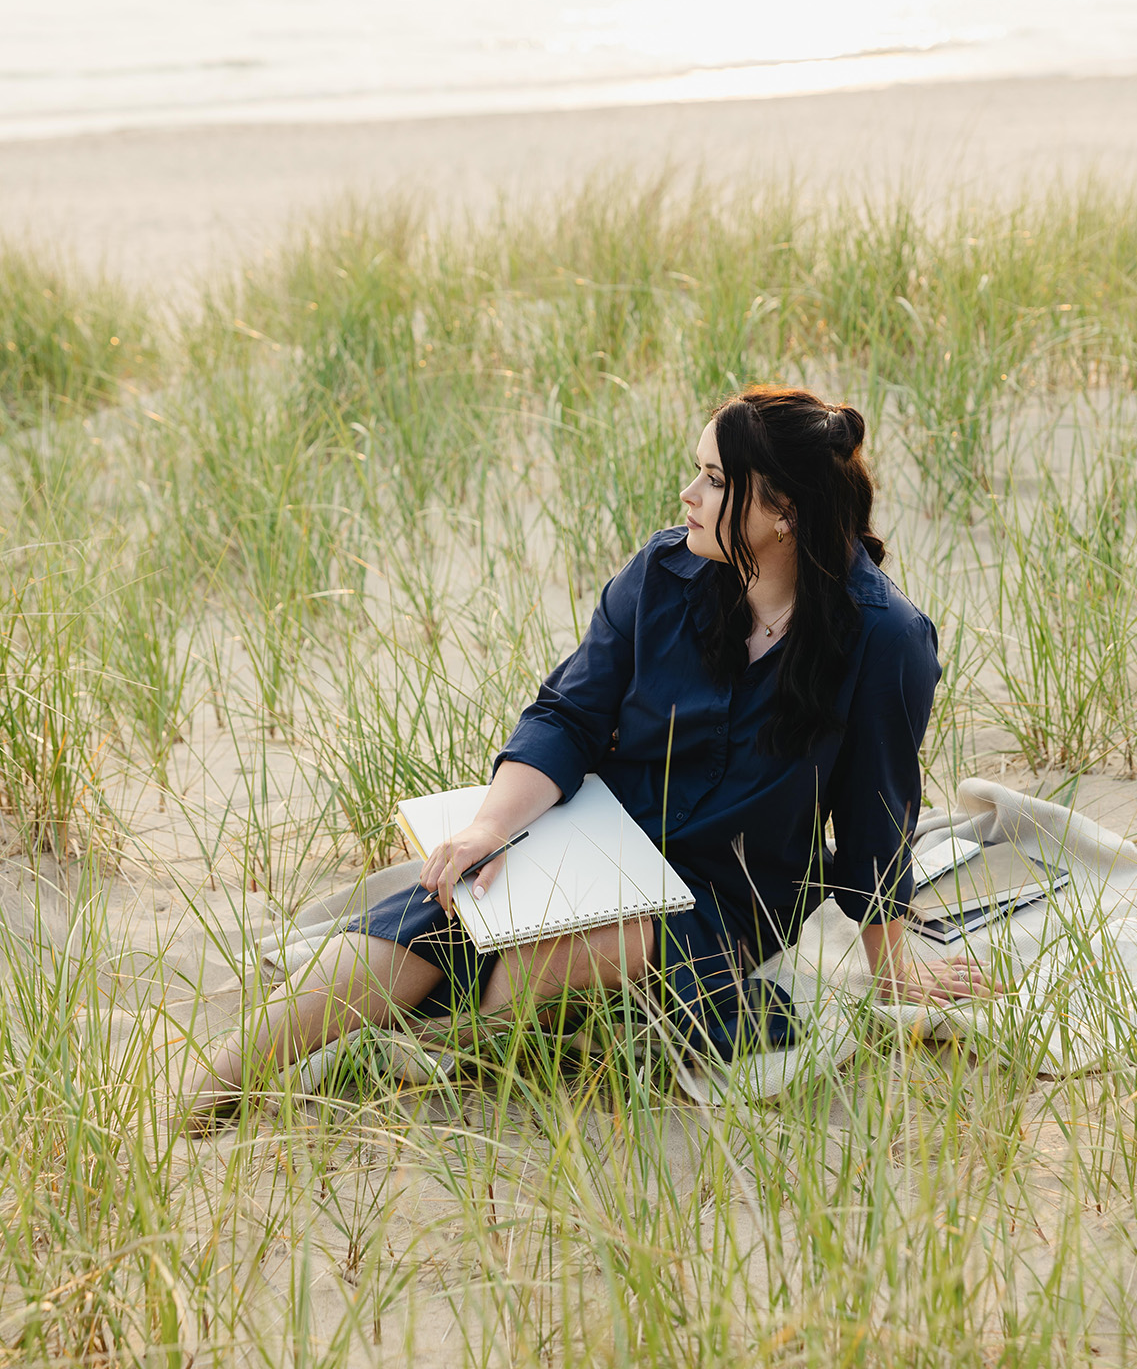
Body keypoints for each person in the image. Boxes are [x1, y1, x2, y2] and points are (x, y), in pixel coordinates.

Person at [180, 384, 989, 1124]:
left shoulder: (884, 639)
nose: (689, 495)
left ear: (781, 512)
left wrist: (891, 961)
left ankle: (428, 1048)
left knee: (569, 946)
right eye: (696, 472)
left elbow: (879, 809)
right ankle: (210, 1095)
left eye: (713, 479)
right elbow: (569, 715)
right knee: (427, 920)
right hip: (599, 837)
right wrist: (488, 828)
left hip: (730, 892)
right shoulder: (665, 574)